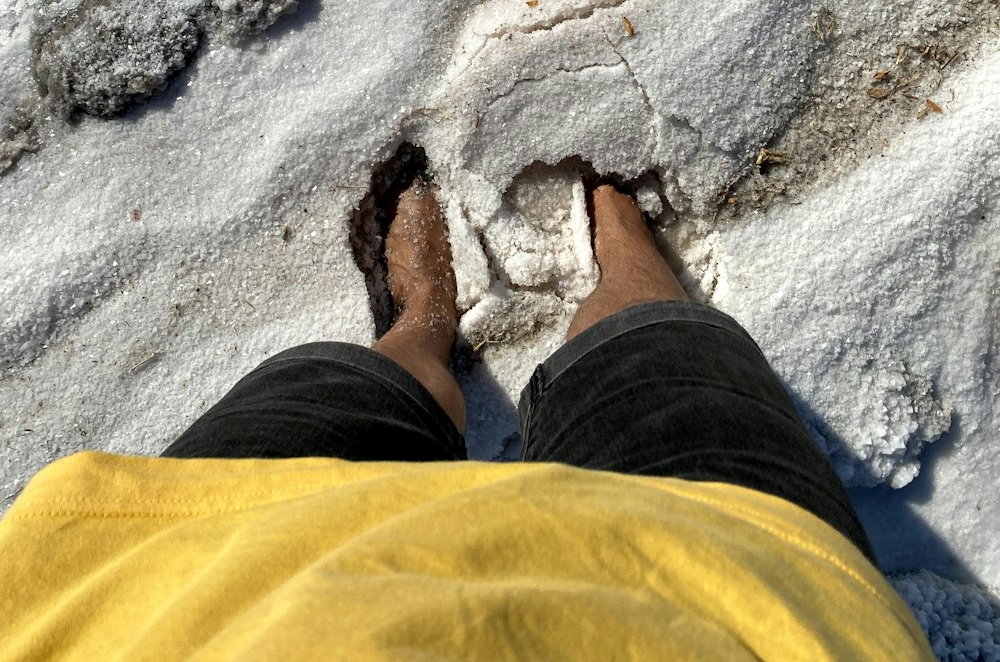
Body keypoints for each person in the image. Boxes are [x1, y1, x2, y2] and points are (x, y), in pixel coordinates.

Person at [1, 177, 932, 660]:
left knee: (363, 390)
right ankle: (618, 251)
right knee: (651, 356)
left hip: (178, 583)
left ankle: (425, 322)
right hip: (725, 593)